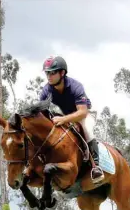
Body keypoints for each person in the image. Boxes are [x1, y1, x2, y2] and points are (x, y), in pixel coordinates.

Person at [39, 55, 104, 184]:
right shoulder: (46, 90)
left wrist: (63, 119)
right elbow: (41, 113)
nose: (49, 76)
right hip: (67, 116)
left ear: (62, 73)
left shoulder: (75, 86)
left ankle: (96, 167)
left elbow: (82, 112)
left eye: (52, 72)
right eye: (47, 73)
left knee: (87, 129)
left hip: (85, 114)